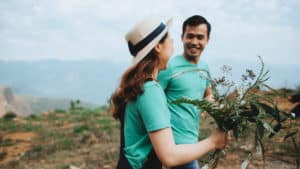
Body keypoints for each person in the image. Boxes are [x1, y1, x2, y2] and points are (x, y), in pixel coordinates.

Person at [110, 17, 227, 169]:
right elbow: (170, 156)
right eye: (169, 39)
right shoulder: (150, 90)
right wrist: (213, 141)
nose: (172, 43)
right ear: (158, 47)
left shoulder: (141, 85)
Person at [157, 15, 214, 169]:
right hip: (171, 147)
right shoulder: (168, 66)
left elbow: (208, 93)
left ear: (207, 40)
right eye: (190, 36)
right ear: (182, 37)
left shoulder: (205, 68)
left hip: (192, 144)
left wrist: (208, 103)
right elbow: (153, 100)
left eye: (200, 37)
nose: (195, 42)